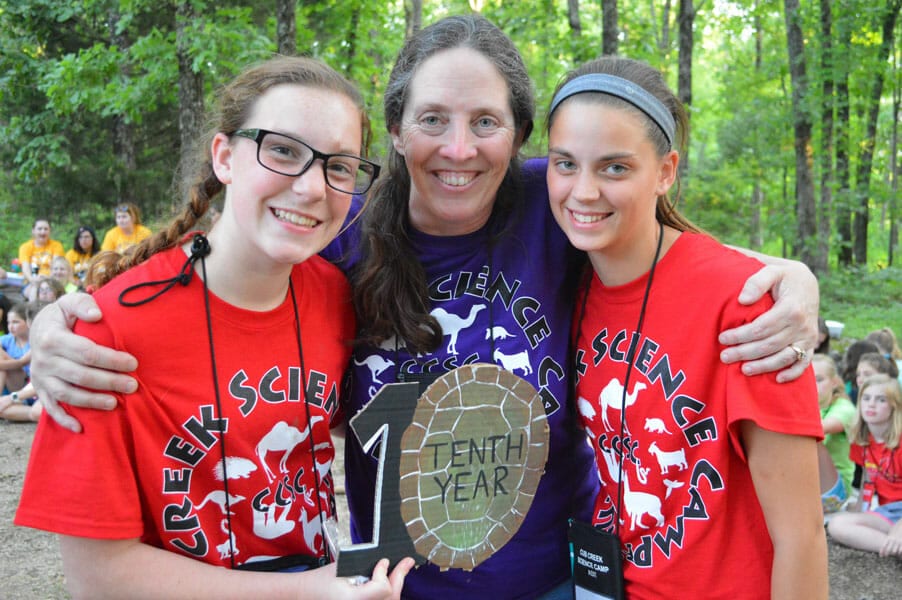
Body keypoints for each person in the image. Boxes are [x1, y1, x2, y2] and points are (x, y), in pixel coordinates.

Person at [27, 15, 819, 600]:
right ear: (398, 131)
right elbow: (226, 272)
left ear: (517, 139)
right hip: (389, 590)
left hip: (555, 583)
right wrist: (59, 321)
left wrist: (791, 278)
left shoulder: (557, 203)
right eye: (433, 120)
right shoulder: (332, 242)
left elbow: (659, 232)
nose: (460, 147)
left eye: (487, 123)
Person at [14, 55, 412, 599]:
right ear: (224, 157)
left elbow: (351, 418)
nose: (312, 187)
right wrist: (309, 594)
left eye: (339, 165)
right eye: (283, 151)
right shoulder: (102, 338)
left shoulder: (336, 295)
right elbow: (97, 578)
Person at [547, 56, 826, 598]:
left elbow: (802, 537)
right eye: (565, 164)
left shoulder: (746, 307)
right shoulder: (571, 278)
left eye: (615, 168)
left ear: (666, 171)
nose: (583, 191)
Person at [827, 374, 902, 557]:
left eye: (881, 399)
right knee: (837, 525)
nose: (871, 404)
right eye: (866, 398)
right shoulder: (862, 440)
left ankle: (896, 540)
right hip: (889, 511)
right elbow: (868, 480)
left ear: (894, 407)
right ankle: (894, 546)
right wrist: (860, 507)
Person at [813, 354, 856, 512]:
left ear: (834, 382)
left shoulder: (844, 407)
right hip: (806, 482)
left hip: (835, 491)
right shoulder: (802, 407)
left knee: (810, 437)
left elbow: (819, 429)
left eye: (819, 379)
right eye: (807, 379)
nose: (812, 384)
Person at [18, 218, 65, 300]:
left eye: (46, 229)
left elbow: (56, 266)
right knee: (35, 291)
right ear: (33, 231)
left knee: (49, 291)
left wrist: (47, 279)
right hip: (31, 282)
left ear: (49, 231)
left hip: (52, 281)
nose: (43, 232)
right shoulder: (25, 247)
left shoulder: (56, 245)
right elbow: (25, 268)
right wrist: (33, 280)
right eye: (39, 229)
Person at [0, 302, 32, 398]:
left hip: (27, 385)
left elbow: (21, 363)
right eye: (8, 322)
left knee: (2, 360)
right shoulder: (8, 339)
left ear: (28, 322)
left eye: (15, 322)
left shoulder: (34, 342)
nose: (10, 326)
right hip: (11, 385)